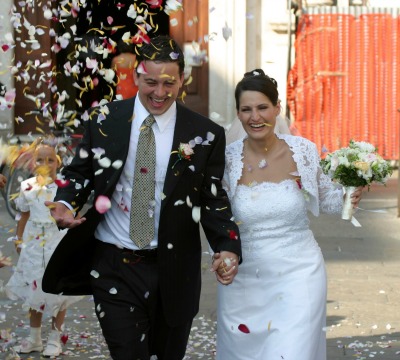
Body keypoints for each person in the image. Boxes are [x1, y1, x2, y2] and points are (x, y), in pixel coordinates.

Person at [42, 35, 241, 360]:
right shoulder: (104, 120)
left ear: (182, 80)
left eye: (169, 83)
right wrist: (65, 202)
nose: (159, 93)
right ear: (136, 76)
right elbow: (79, 172)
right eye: (150, 82)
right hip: (113, 266)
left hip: (175, 270)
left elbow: (213, 200)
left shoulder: (205, 135)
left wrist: (228, 247)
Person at [215, 69, 363, 360]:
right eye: (246, 110)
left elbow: (327, 200)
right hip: (244, 280)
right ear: (238, 113)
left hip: (299, 274)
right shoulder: (226, 160)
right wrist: (221, 254)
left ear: (277, 108)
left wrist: (349, 195)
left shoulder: (303, 152)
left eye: (262, 108)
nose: (255, 117)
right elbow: (217, 217)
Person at [5, 140, 83, 357]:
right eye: (40, 159)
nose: (46, 164)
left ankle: (55, 338)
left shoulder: (64, 187)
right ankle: (35, 338)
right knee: (34, 288)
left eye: (51, 160)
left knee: (58, 290)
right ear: (33, 163)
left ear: (58, 162)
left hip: (56, 240)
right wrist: (19, 239)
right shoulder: (27, 186)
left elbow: (70, 215)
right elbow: (24, 215)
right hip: (33, 241)